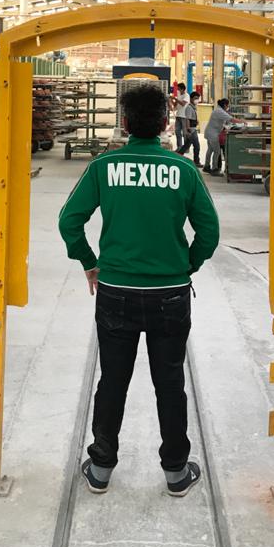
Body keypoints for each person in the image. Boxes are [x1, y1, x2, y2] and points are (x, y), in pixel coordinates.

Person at [58, 84, 220, 498]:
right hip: (169, 293)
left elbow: (68, 221)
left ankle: (101, 468)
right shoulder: (183, 171)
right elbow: (210, 231)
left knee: (113, 380)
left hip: (115, 292)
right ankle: (175, 472)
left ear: (125, 123)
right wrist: (188, 264)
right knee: (169, 382)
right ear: (166, 123)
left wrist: (89, 261)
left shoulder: (104, 167)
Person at [203, 98, 235, 174]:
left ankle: (206, 166)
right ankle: (214, 169)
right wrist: (243, 121)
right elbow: (231, 119)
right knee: (217, 151)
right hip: (212, 134)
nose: (228, 107)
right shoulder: (219, 111)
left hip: (210, 132)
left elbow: (222, 121)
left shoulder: (218, 110)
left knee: (210, 150)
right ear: (224, 105)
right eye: (227, 105)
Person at [177, 91, 201, 166]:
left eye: (198, 98)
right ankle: (196, 162)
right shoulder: (189, 108)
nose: (196, 100)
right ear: (191, 98)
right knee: (197, 146)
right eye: (195, 98)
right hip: (191, 130)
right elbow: (187, 119)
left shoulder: (193, 107)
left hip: (193, 128)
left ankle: (177, 156)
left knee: (186, 146)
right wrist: (188, 130)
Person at [171, 82, 189, 150]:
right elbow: (175, 105)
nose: (178, 90)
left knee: (185, 133)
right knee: (177, 132)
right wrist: (171, 100)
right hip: (178, 116)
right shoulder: (179, 95)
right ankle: (179, 147)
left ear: (182, 89)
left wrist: (175, 99)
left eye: (179, 89)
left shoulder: (186, 95)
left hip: (184, 116)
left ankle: (186, 148)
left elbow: (183, 104)